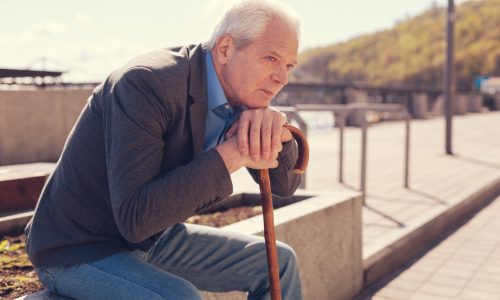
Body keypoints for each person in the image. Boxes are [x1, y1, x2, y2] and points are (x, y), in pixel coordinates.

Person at [25, 0, 303, 299]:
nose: (282, 78)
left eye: (288, 65)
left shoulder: (243, 94)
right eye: (270, 58)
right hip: (79, 245)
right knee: (178, 296)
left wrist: (276, 134)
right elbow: (135, 219)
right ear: (225, 49)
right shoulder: (145, 83)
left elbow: (284, 185)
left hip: (154, 239)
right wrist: (232, 154)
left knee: (279, 262)